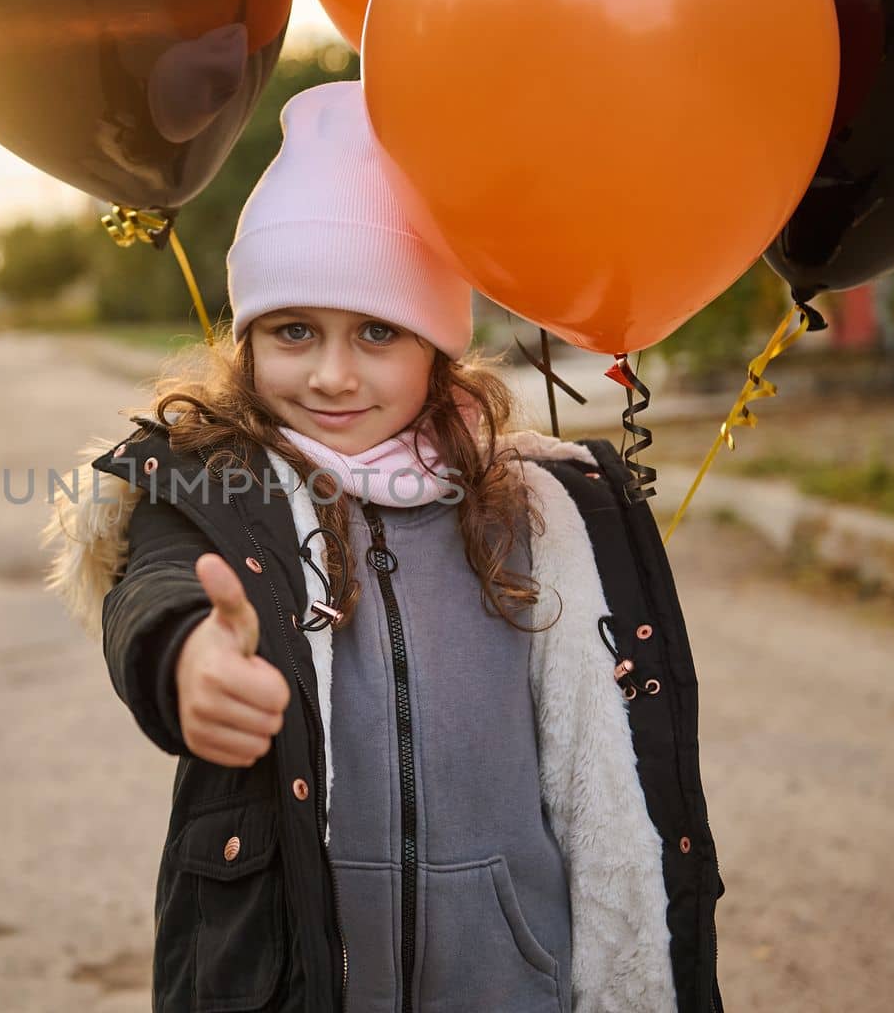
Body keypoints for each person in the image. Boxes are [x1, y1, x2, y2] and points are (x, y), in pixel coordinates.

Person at [44, 81, 722, 1013]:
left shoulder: (525, 510)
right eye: (292, 332)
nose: (331, 374)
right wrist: (189, 656)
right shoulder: (216, 488)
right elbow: (155, 588)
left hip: (507, 979)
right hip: (303, 981)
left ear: (438, 348)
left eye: (376, 332)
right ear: (246, 344)